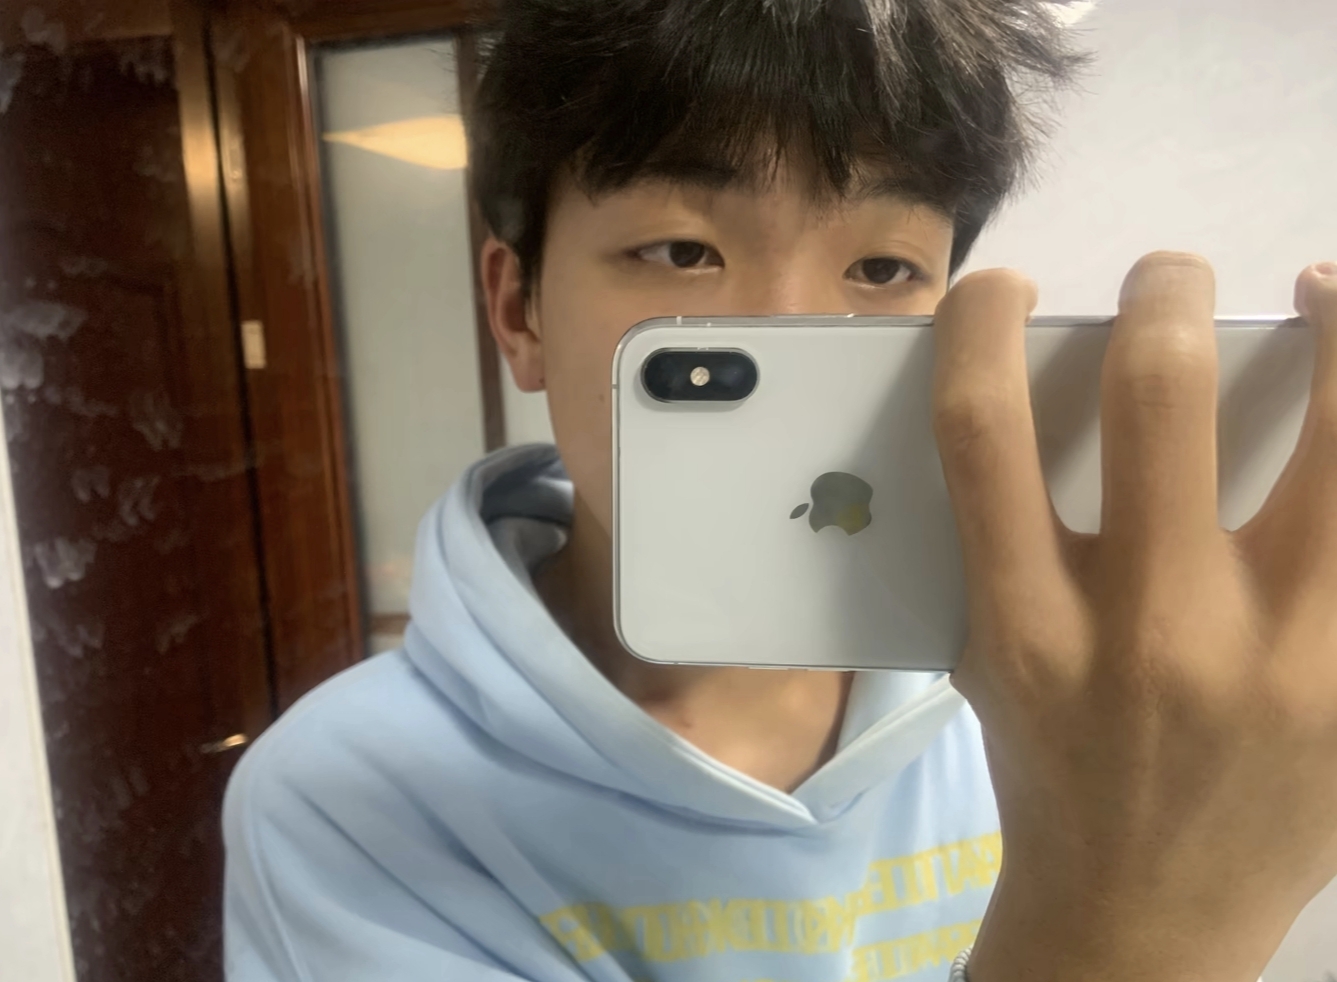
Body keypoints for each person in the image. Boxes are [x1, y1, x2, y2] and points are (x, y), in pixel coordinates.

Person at [222, 1, 1337, 980]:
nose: (788, 332)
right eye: (680, 250)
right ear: (518, 310)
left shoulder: (1062, 692)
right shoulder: (349, 799)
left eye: (882, 269)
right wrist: (1128, 930)